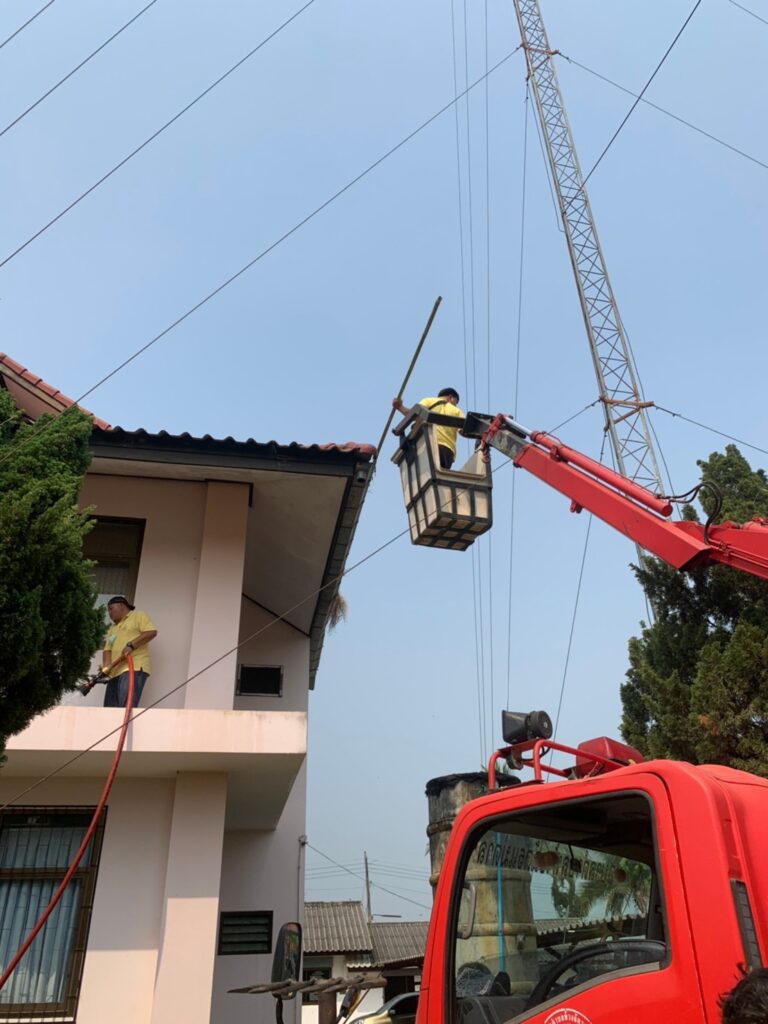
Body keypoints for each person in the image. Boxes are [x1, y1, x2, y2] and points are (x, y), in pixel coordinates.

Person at [101, 596, 157, 709]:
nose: (109, 613)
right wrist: (106, 668)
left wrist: (131, 645)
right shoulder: (112, 628)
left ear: (122, 605)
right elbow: (107, 649)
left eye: (111, 608)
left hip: (133, 668)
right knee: (109, 709)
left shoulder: (138, 616)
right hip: (115, 672)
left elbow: (151, 632)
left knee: (125, 707)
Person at [392, 387, 464, 469]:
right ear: (450, 397)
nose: (455, 405)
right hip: (448, 451)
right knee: (441, 474)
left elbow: (411, 414)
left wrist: (399, 407)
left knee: (424, 472)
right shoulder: (456, 410)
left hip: (428, 445)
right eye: (455, 402)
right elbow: (464, 431)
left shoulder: (429, 401)